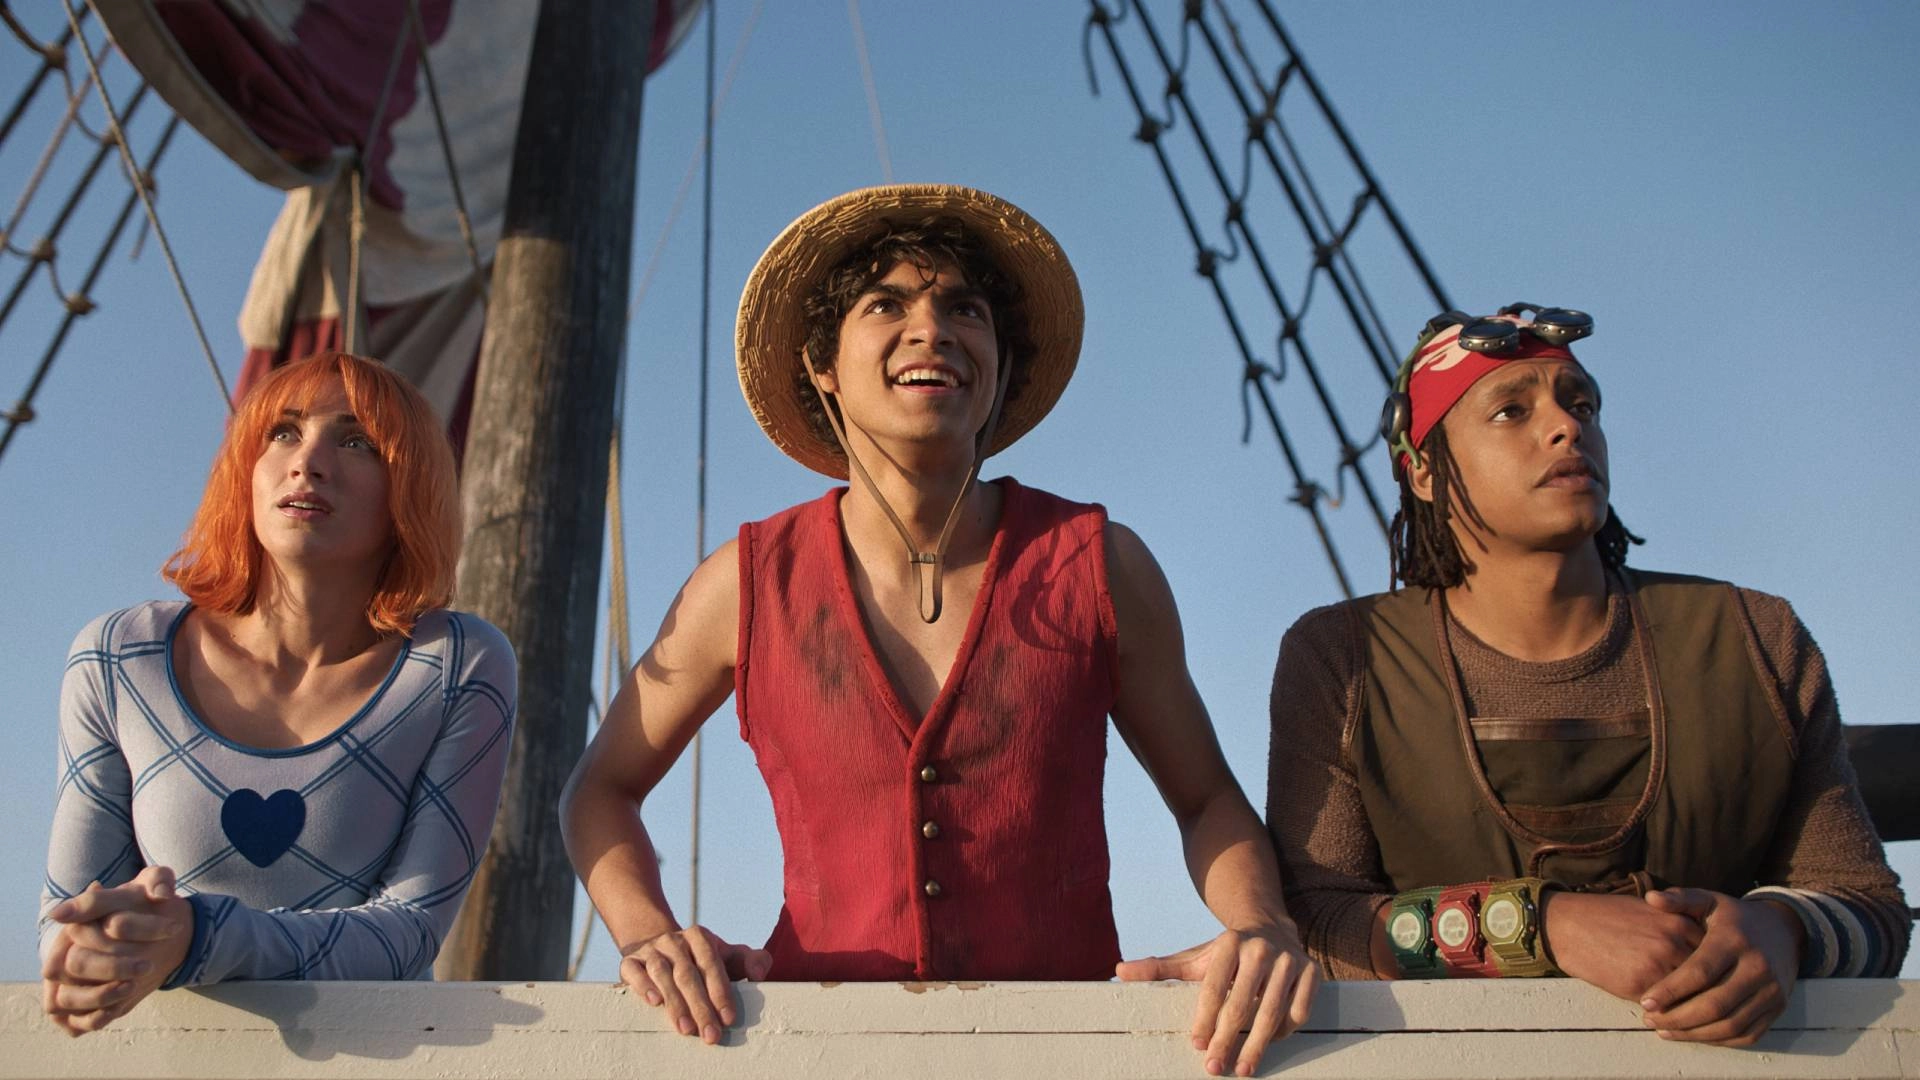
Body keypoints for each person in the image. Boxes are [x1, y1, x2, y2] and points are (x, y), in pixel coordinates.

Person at [562, 185, 1315, 1077]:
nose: (931, 329)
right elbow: (599, 790)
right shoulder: (746, 582)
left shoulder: (1102, 565)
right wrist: (647, 937)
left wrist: (1262, 925)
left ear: (999, 361)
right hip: (811, 1058)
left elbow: (1207, 799)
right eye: (886, 306)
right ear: (822, 364)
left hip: (1064, 1058)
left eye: (965, 309)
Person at [1267, 305, 1908, 1046]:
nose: (1567, 428)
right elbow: (1315, 922)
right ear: (1424, 473)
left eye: (1582, 405)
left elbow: (1871, 906)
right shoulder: (1344, 656)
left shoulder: (1754, 637)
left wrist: (1785, 930)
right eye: (1510, 411)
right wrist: (1540, 926)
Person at [39, 351, 516, 1036]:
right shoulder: (119, 657)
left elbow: (410, 932)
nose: (308, 463)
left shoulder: (455, 664)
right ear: (246, 468)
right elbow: (68, 924)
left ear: (409, 486)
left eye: (357, 442)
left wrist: (200, 938)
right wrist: (103, 946)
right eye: (283, 432)